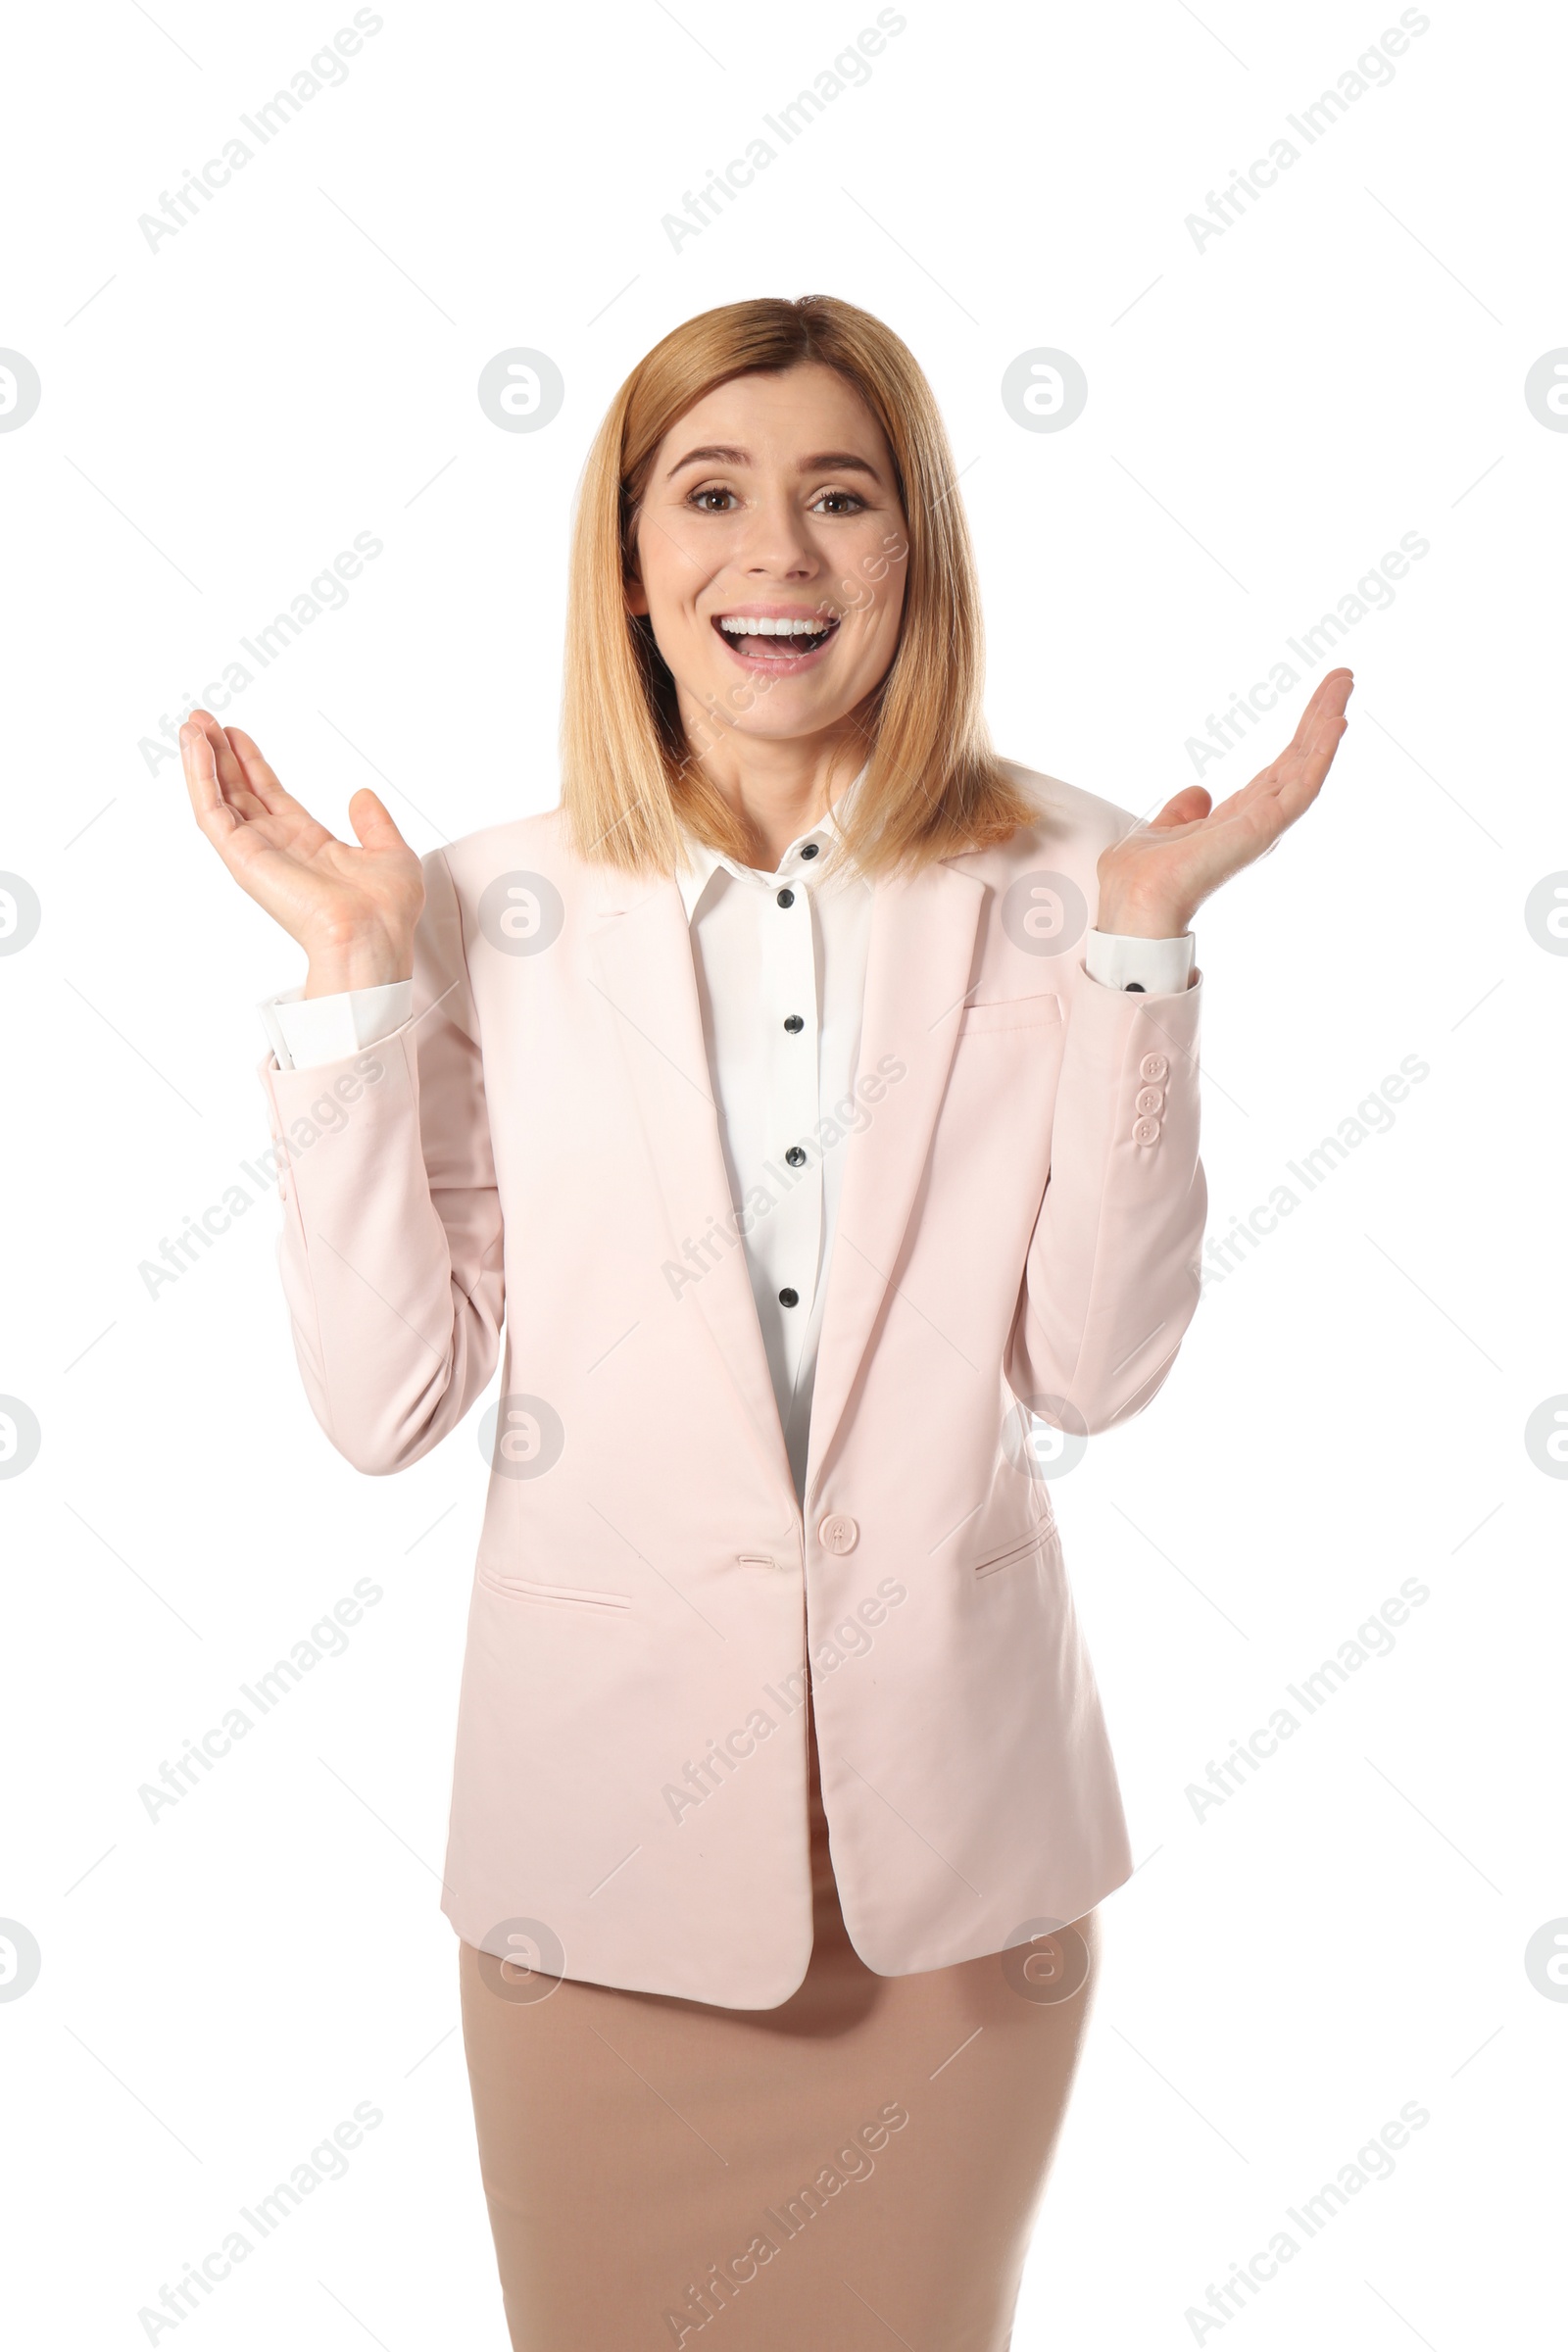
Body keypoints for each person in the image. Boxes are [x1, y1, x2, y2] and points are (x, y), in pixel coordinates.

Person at [178, 294, 1351, 2350]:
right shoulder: (473, 908)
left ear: (917, 549)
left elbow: (1090, 1366)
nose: (778, 557)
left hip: (958, 1897)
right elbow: (384, 1403)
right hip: (596, 1881)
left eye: (840, 496)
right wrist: (357, 994)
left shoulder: (1081, 875)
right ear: (628, 563)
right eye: (708, 494)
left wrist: (1147, 959)